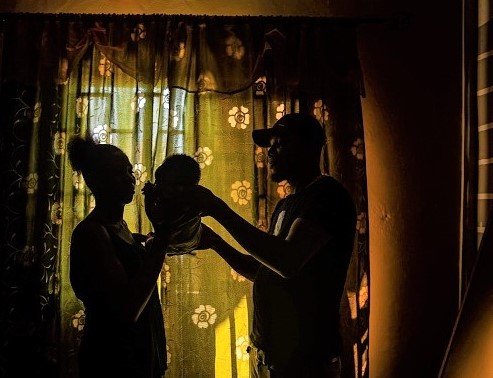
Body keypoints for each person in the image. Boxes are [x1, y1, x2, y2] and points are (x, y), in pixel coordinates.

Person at [189, 113, 357, 378]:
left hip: (305, 362)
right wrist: (214, 242)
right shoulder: (286, 204)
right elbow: (263, 270)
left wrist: (217, 207)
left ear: (307, 147)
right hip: (270, 356)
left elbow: (287, 262)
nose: (269, 153)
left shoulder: (327, 197)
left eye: (279, 144)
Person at [67, 136, 177, 378]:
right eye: (119, 172)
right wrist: (161, 237)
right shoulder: (91, 233)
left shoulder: (120, 227)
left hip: (140, 359)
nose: (130, 178)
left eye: (129, 170)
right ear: (96, 180)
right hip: (113, 363)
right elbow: (127, 311)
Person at [143, 154, 202, 256]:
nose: (157, 186)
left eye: (161, 181)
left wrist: (149, 197)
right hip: (194, 238)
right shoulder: (189, 199)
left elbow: (154, 215)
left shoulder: (172, 207)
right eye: (157, 181)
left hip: (173, 244)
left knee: (150, 243)